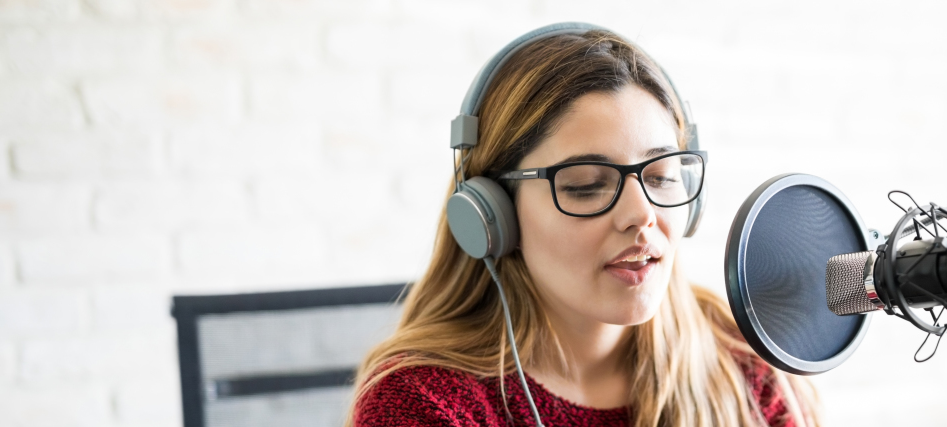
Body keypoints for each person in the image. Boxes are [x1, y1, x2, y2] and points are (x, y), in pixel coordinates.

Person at [347, 23, 820, 427]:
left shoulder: (742, 361)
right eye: (586, 185)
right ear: (494, 214)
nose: (641, 215)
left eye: (660, 176)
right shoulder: (420, 404)